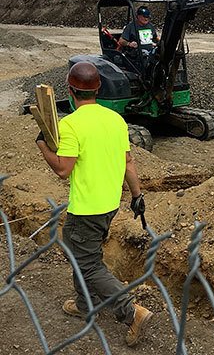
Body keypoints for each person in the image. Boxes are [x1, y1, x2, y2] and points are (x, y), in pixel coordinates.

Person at [35, 61, 153, 347]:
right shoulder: (115, 119)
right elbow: (128, 161)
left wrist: (42, 145)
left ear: (70, 91)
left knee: (87, 264)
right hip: (110, 204)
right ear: (98, 89)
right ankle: (84, 303)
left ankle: (131, 311)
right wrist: (137, 195)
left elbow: (63, 169)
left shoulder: (71, 124)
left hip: (86, 208)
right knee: (82, 255)